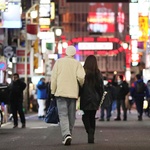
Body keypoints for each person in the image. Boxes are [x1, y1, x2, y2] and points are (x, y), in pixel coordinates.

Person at [51, 45, 85, 146]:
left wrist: (53, 91)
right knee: (71, 115)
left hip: (61, 92)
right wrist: (81, 85)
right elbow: (81, 77)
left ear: (66, 52)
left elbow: (54, 78)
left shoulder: (59, 62)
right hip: (73, 93)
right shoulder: (77, 64)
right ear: (74, 53)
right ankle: (68, 134)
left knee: (63, 114)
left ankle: (66, 135)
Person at [80, 55, 104, 144]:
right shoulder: (97, 73)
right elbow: (101, 88)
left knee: (85, 116)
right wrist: (100, 98)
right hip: (95, 98)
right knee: (92, 117)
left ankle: (89, 130)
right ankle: (91, 134)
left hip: (85, 97)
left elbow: (80, 85)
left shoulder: (82, 72)